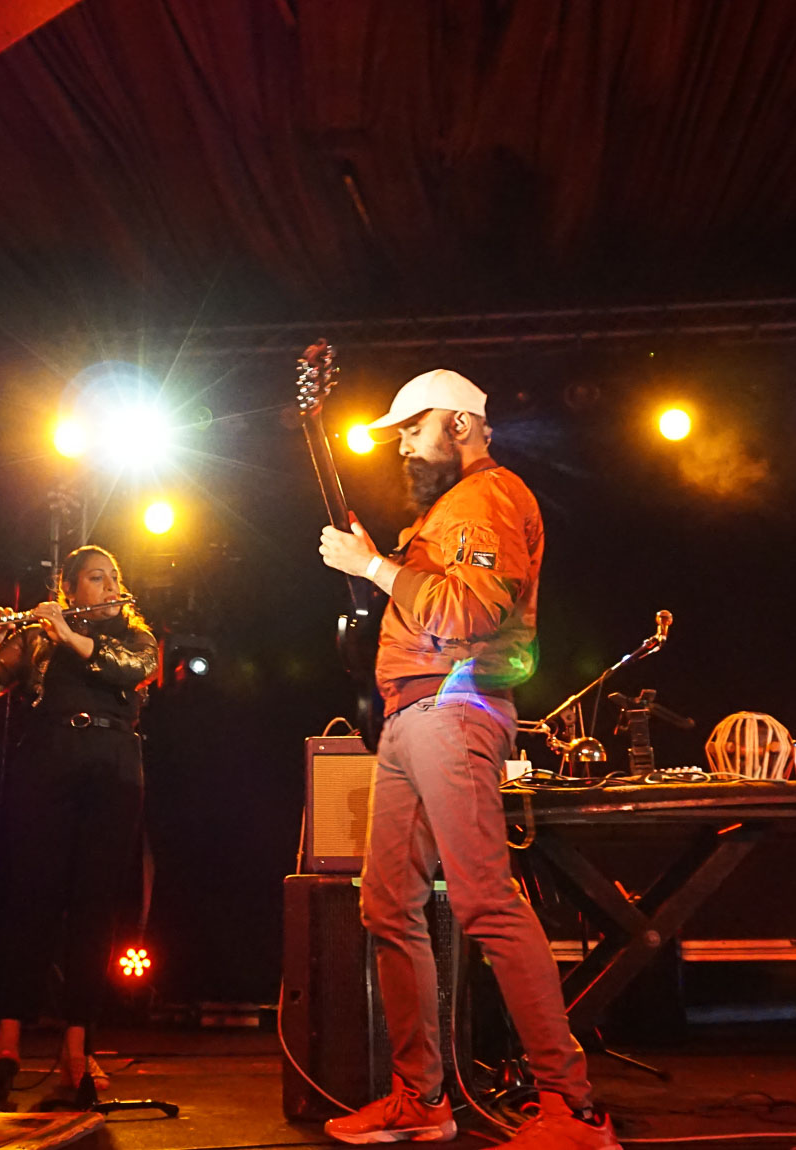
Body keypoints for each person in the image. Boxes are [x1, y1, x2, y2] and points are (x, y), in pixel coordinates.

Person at [316, 370, 618, 1150]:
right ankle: (420, 1098)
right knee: (388, 906)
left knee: (484, 903)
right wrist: (384, 561)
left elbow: (472, 611)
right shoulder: (447, 509)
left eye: (411, 430)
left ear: (457, 423)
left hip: (453, 711)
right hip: (414, 715)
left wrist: (375, 568)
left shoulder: (486, 498)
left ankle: (572, 1109)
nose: (403, 447)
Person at [0, 544, 158, 1106]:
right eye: (97, 578)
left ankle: (77, 1049)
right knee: (31, 896)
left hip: (115, 767)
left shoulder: (134, 636)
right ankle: (7, 1038)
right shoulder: (36, 638)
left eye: (114, 577)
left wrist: (69, 634)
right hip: (48, 762)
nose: (111, 586)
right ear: (70, 589)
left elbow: (135, 670)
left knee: (95, 906)